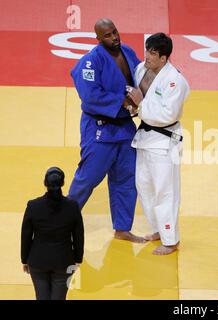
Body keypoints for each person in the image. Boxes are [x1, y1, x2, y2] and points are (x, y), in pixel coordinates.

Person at [68, 18, 145, 243]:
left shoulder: (128, 52)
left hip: (124, 127)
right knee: (87, 178)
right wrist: (121, 101)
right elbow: (90, 96)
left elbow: (140, 78)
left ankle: (122, 228)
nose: (114, 37)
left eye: (115, 32)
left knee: (126, 178)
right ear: (99, 39)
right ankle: (62, 224)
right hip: (99, 128)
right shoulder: (90, 62)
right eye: (108, 35)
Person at [127, 33, 190, 255]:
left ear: (164, 58)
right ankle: (158, 229)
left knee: (165, 191)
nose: (147, 56)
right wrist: (133, 107)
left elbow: (167, 114)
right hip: (144, 138)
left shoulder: (175, 81)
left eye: (153, 53)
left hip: (164, 141)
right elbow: (136, 96)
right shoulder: (141, 69)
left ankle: (171, 240)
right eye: (147, 50)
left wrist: (140, 104)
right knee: (143, 185)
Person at [21, 167, 84, 300]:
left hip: (38, 261)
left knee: (41, 297)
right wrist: (78, 259)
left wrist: (25, 259)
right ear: (63, 183)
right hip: (64, 261)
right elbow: (78, 236)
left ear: (45, 183)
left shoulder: (33, 206)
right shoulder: (73, 207)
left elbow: (26, 235)